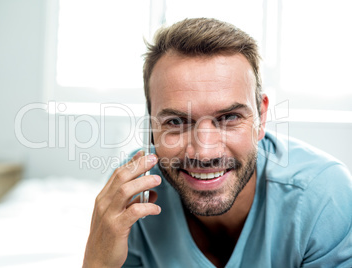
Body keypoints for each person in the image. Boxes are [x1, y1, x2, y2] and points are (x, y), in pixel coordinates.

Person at [83, 18, 352, 267]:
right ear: (151, 127)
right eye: (176, 122)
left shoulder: (324, 197)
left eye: (229, 117)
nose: (205, 151)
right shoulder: (133, 195)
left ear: (262, 117)